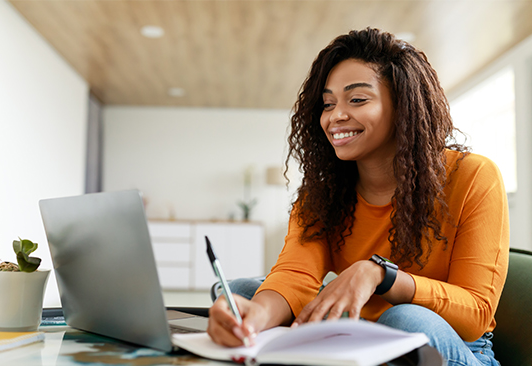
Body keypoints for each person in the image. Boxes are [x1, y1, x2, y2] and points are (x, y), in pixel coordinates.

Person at [208, 28, 509, 366]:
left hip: (456, 347)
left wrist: (381, 275)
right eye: (328, 104)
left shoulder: (473, 176)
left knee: (406, 320)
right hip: (360, 334)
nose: (336, 116)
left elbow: (476, 314)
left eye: (357, 99)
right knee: (243, 292)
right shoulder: (323, 193)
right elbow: (296, 274)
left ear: (403, 105)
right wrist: (256, 317)